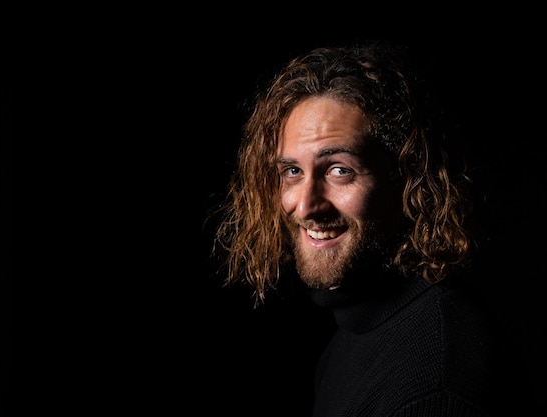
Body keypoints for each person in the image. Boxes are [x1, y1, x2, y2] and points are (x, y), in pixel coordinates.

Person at [211, 39, 536, 416]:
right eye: (293, 172)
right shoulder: (354, 330)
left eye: (339, 170)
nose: (305, 205)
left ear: (406, 179)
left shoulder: (435, 384)